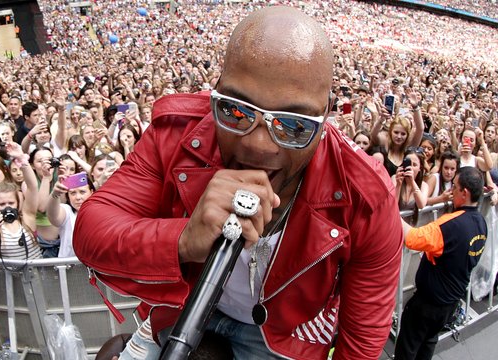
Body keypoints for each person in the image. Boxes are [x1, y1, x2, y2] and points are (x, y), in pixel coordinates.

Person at [74, 7, 402, 360]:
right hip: (184, 304)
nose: (258, 145)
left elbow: (363, 336)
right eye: (236, 111)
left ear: (325, 120)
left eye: (294, 126)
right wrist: (182, 240)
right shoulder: (178, 133)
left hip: (279, 336)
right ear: (214, 93)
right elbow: (92, 230)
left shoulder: (366, 195)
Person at [394, 167, 488, 360]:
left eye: (454, 187)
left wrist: (390, 209)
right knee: (428, 344)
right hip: (450, 303)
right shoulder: (480, 222)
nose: (450, 190)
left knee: (408, 348)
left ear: (465, 192)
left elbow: (411, 238)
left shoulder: (450, 225)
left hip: (429, 304)